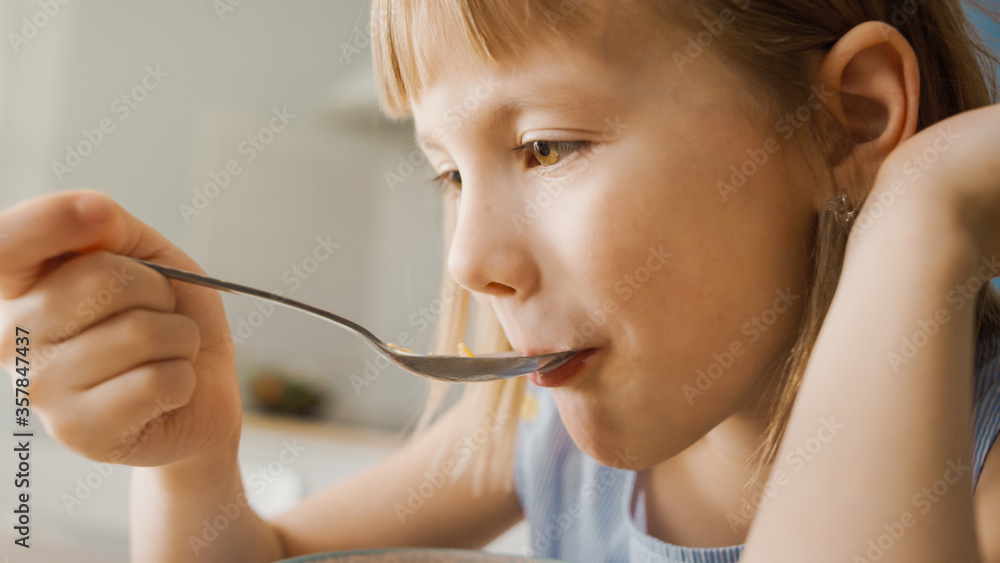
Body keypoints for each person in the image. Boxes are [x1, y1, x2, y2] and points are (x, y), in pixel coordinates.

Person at [2, 1, 1000, 561]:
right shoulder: (547, 449)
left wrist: (921, 211)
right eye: (445, 171)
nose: (468, 261)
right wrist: (188, 455)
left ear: (851, 123)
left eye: (544, 145)